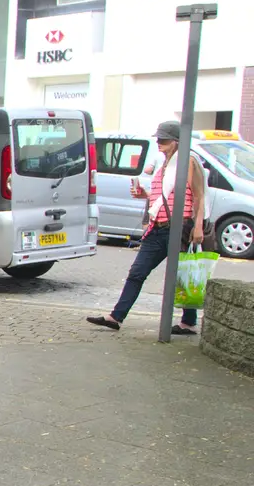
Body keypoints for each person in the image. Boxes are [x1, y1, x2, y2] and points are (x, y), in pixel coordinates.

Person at [87, 120, 207, 336]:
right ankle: (116, 317)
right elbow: (168, 197)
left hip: (179, 228)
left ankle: (188, 322)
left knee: (182, 275)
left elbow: (198, 196)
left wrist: (197, 226)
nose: (159, 142)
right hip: (157, 228)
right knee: (137, 272)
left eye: (165, 139)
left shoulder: (187, 163)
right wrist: (146, 195)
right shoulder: (164, 165)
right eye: (158, 138)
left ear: (177, 141)